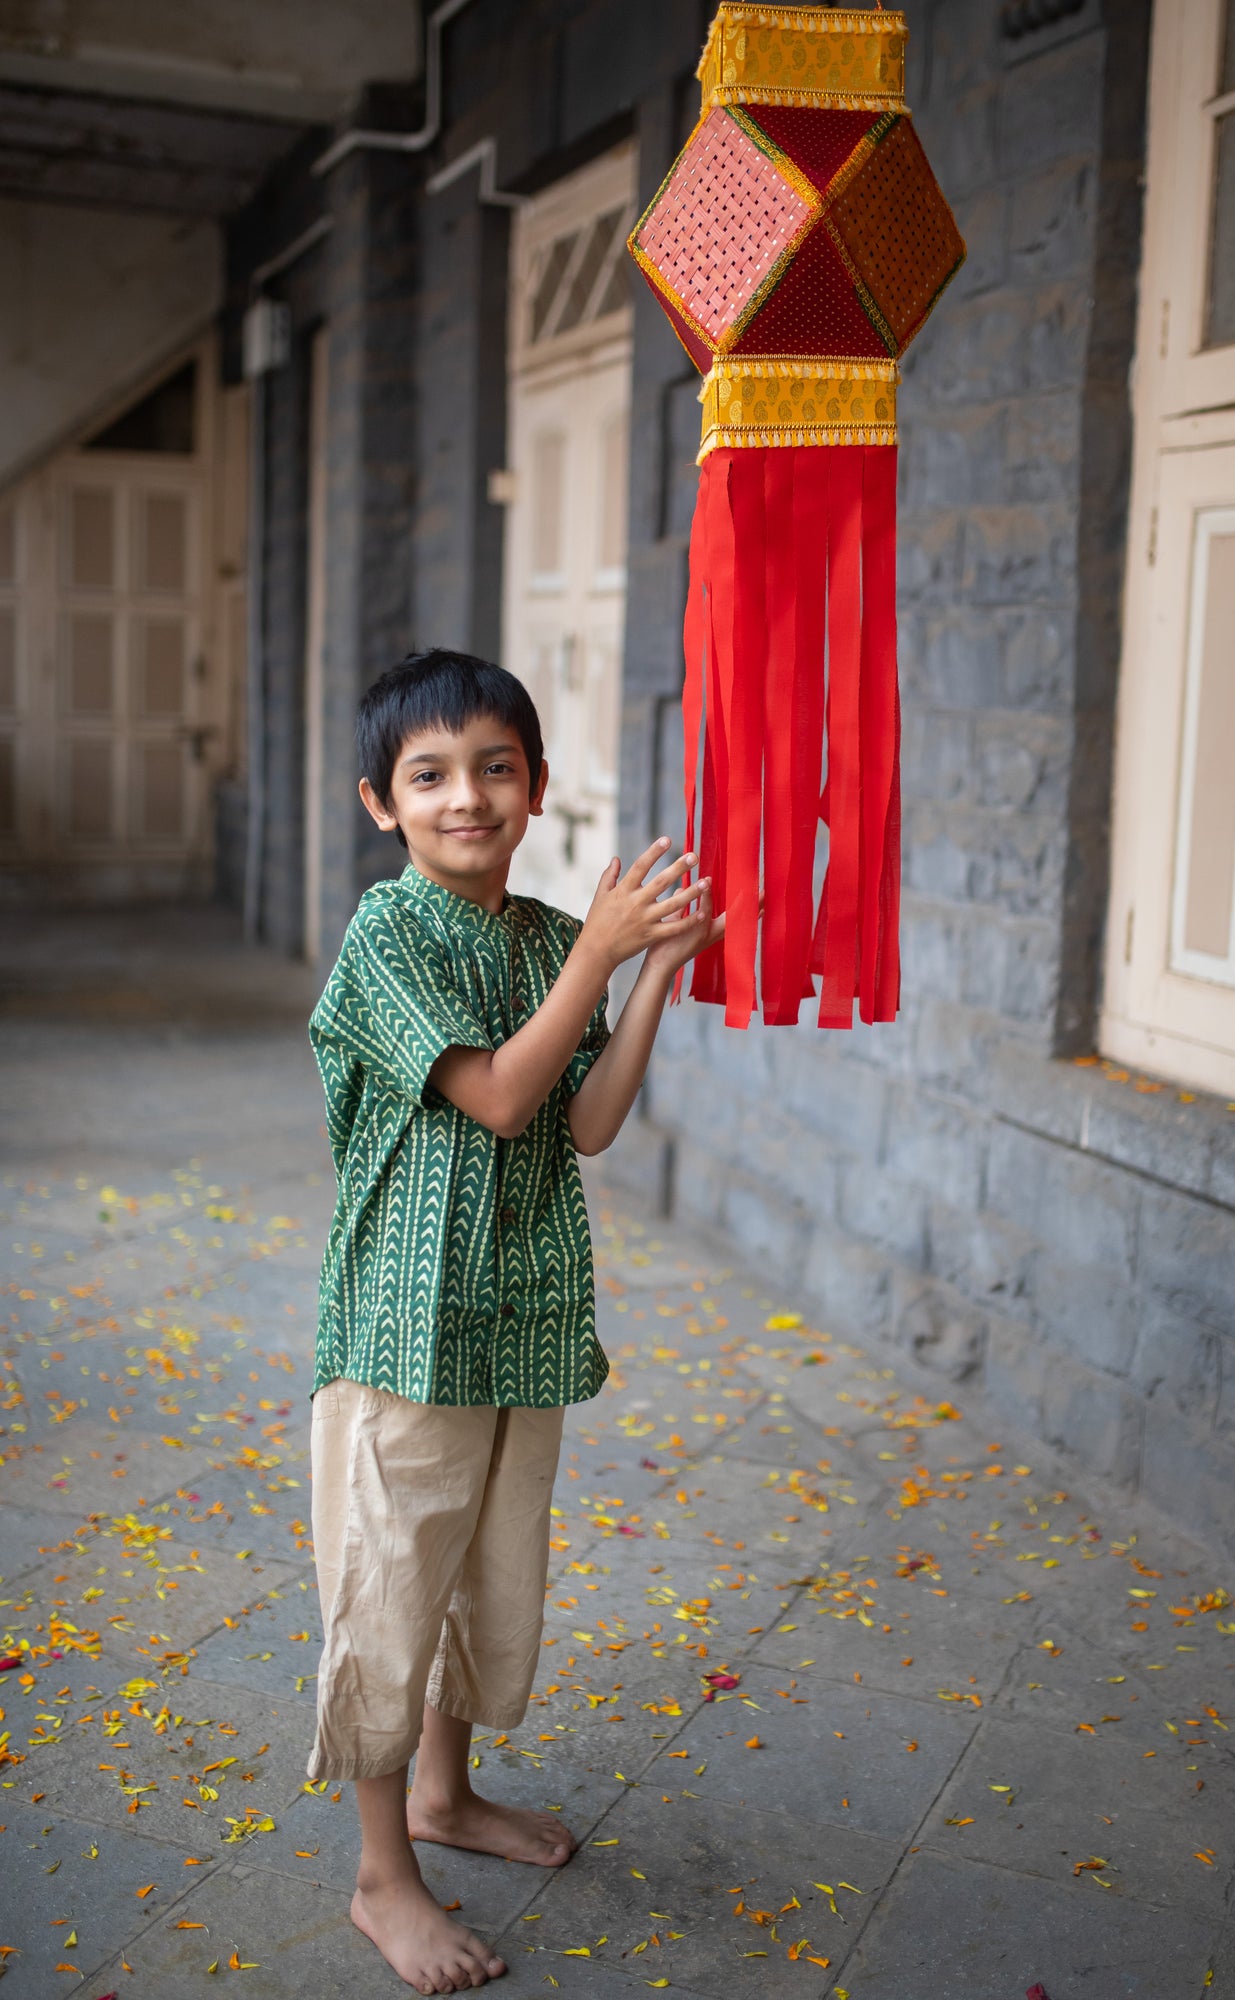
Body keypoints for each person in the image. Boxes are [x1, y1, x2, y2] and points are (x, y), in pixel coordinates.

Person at [306, 647, 722, 1994]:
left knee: (484, 1579)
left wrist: (646, 972)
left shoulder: (548, 935)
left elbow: (585, 1120)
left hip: (522, 1312)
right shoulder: (385, 935)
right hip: (403, 1329)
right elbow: (493, 1094)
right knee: (390, 1594)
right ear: (383, 802)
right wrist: (597, 954)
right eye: (429, 775)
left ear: (537, 788)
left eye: (495, 767)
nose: (465, 796)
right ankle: (383, 1878)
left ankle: (444, 1792)